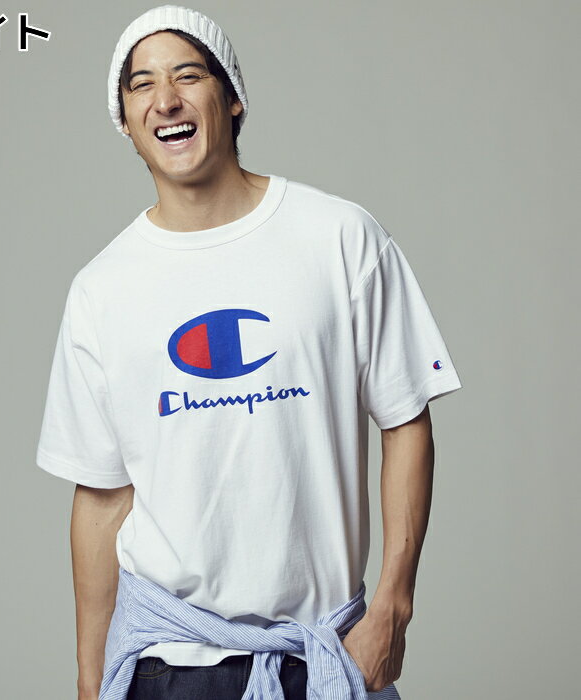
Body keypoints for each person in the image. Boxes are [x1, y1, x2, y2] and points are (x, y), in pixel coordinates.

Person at [35, 5, 463, 699]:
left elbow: (405, 418)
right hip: (166, 664)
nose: (165, 99)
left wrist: (393, 607)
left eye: (187, 75)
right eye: (142, 85)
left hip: (321, 657)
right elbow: (103, 498)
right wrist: (91, 679)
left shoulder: (338, 237)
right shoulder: (102, 290)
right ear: (126, 121)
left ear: (231, 97)